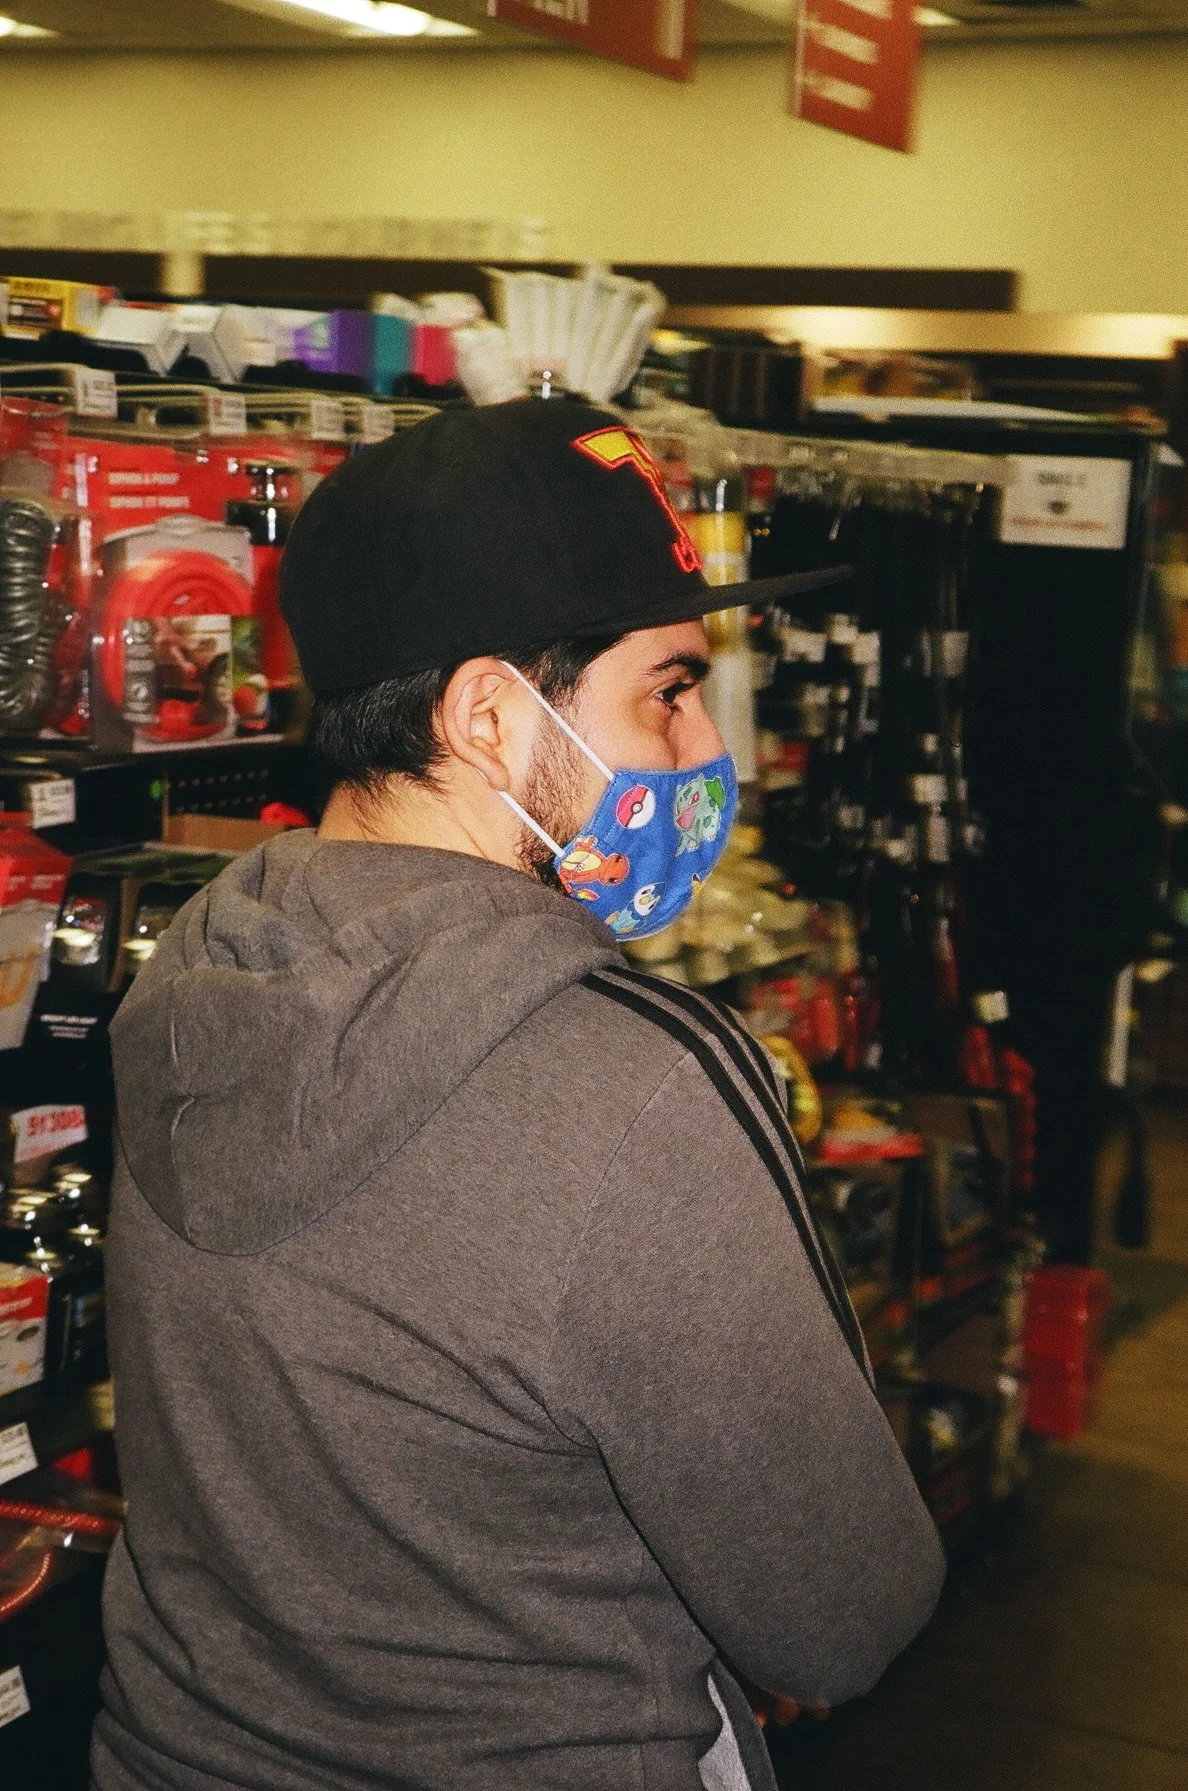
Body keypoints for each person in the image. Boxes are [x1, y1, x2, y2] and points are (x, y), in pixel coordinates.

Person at [93, 399, 945, 1791]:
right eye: (668, 689)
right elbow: (838, 1599)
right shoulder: (631, 1073)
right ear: (490, 716)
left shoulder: (197, 970)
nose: (696, 748)